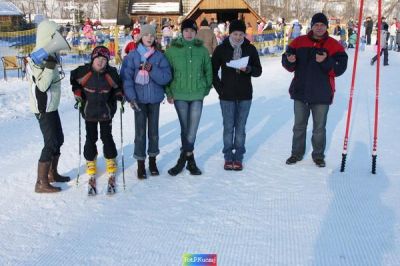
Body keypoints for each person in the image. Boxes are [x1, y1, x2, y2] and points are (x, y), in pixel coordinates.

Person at [282, 12, 348, 167]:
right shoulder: (299, 41)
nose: (319, 28)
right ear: (311, 26)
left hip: (322, 94)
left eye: (322, 25)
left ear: (327, 27)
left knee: (319, 128)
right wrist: (289, 60)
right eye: (316, 25)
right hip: (300, 92)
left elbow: (340, 68)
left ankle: (318, 155)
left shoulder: (334, 45)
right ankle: (296, 153)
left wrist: (325, 61)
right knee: (299, 126)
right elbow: (288, 62)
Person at [70, 46, 124, 194]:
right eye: (98, 59)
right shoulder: (84, 71)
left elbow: (118, 86)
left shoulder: (111, 73)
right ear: (93, 59)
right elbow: (74, 81)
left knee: (107, 137)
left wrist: (119, 95)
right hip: (89, 112)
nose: (100, 62)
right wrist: (78, 92)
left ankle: (111, 160)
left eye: (104, 60)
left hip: (106, 111)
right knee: (91, 138)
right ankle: (90, 162)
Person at [122, 25, 172, 179]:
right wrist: (131, 97)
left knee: (154, 133)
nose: (149, 38)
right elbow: (126, 79)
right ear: (140, 38)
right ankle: (140, 164)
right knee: (140, 133)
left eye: (152, 35)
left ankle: (152, 161)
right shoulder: (132, 56)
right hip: (138, 100)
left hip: (154, 99)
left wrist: (152, 69)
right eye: (146, 35)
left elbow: (166, 77)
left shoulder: (159, 56)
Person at [211, 20, 262, 170]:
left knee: (240, 128)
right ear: (229, 34)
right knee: (228, 127)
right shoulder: (221, 49)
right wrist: (221, 89)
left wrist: (248, 69)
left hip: (245, 95)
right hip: (226, 96)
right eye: (235, 34)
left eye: (241, 34)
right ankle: (228, 156)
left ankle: (238, 157)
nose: (238, 37)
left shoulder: (250, 49)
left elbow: (258, 71)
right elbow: (213, 72)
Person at [27, 20, 71, 193]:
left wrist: (52, 63)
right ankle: (41, 183)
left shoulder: (48, 55)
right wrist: (50, 67)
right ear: (48, 36)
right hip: (43, 107)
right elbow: (42, 86)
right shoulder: (35, 58)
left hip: (51, 106)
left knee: (58, 139)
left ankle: (53, 174)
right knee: (50, 142)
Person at [164, 19, 212, 176]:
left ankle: (182, 161)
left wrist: (205, 88)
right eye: (186, 31)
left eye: (192, 31)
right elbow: (166, 73)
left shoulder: (202, 50)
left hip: (197, 94)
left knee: (192, 130)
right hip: (180, 94)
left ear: (196, 32)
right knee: (186, 129)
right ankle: (190, 161)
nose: (189, 34)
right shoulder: (172, 50)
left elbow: (208, 70)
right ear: (182, 32)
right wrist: (169, 92)